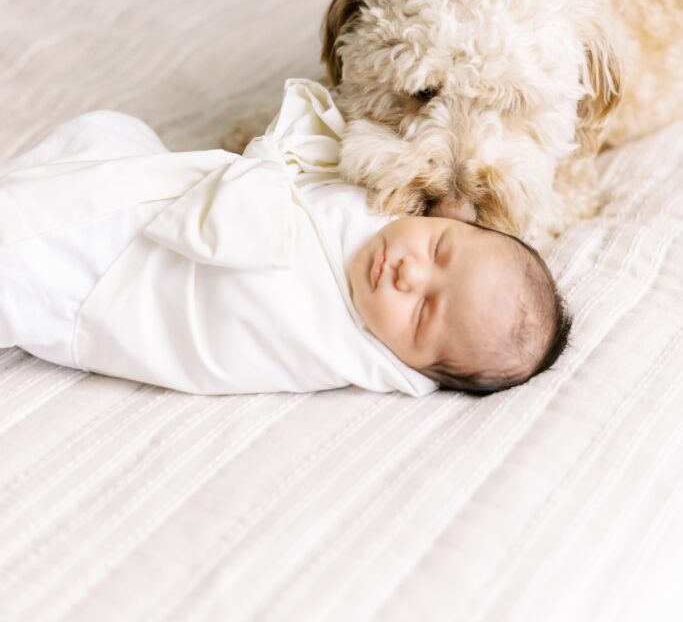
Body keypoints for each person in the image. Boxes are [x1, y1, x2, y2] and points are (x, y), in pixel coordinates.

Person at [0, 80, 571, 397]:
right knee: (114, 133)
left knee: (29, 258)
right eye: (439, 250)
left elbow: (229, 315)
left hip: (120, 281)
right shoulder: (389, 212)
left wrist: (266, 185)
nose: (409, 274)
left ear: (418, 369)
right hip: (182, 198)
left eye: (422, 313)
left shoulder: (331, 341)